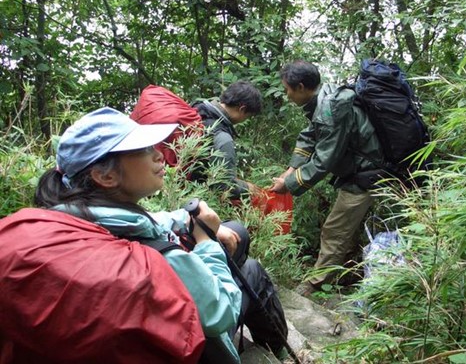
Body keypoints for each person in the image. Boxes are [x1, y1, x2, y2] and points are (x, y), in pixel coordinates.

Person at [0, 107, 286, 362]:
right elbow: (220, 314)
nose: (159, 154)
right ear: (105, 176)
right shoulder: (154, 256)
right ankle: (275, 354)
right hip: (188, 344)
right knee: (251, 270)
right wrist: (206, 242)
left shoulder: (65, 217)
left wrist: (186, 218)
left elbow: (139, 223)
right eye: (144, 149)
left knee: (234, 230)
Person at [270, 60, 384, 296]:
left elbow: (324, 161)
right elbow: (309, 135)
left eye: (287, 89)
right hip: (360, 170)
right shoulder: (326, 98)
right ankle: (346, 272)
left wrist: (288, 184)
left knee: (334, 230)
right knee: (346, 227)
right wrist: (291, 169)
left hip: (365, 176)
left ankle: (315, 284)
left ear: (301, 87)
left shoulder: (330, 110)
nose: (287, 95)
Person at [192, 81, 262, 201]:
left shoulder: (197, 111)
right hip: (193, 200)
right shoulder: (222, 137)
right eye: (248, 116)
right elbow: (222, 186)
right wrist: (248, 188)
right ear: (242, 109)